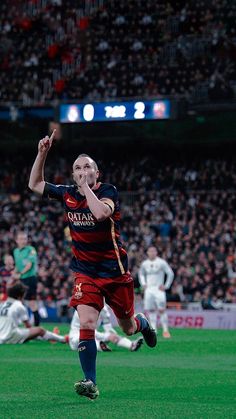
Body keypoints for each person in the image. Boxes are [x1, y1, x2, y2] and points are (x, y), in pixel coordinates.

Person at [28, 130, 157, 400]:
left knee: (128, 328)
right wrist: (42, 153)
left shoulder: (107, 191)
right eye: (77, 168)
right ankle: (90, 382)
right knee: (87, 321)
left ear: (96, 174)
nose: (83, 171)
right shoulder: (66, 194)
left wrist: (86, 188)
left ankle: (143, 323)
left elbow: (99, 214)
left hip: (114, 271)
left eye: (87, 167)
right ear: (73, 174)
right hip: (85, 272)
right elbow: (35, 184)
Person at [0, 282, 68, 344]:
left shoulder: (2, 304)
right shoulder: (18, 305)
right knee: (39, 330)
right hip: (10, 336)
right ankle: (63, 339)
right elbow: (28, 326)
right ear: (20, 295)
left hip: (1, 336)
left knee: (26, 332)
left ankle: (51, 337)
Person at [69, 304, 144, 352]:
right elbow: (86, 326)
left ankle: (131, 345)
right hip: (76, 336)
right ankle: (100, 346)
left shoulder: (103, 308)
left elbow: (107, 326)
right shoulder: (82, 307)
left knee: (112, 336)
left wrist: (111, 335)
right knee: (86, 339)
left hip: (94, 333)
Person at [139, 246, 174, 338]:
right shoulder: (144, 264)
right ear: (147, 253)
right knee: (151, 310)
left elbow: (170, 273)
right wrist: (143, 284)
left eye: (154, 251)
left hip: (159, 290)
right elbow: (141, 274)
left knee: (162, 310)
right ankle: (154, 330)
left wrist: (166, 286)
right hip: (149, 289)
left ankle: (166, 330)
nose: (152, 253)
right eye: (150, 251)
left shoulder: (161, 262)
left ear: (156, 252)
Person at [13, 231, 40, 326]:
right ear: (16, 240)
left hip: (30, 279)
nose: (23, 241)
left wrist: (19, 274)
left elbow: (29, 265)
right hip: (21, 280)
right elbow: (17, 265)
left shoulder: (31, 249)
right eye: (21, 239)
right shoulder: (15, 251)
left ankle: (37, 328)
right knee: (19, 303)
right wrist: (14, 273)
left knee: (32, 303)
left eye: (25, 238)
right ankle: (21, 325)